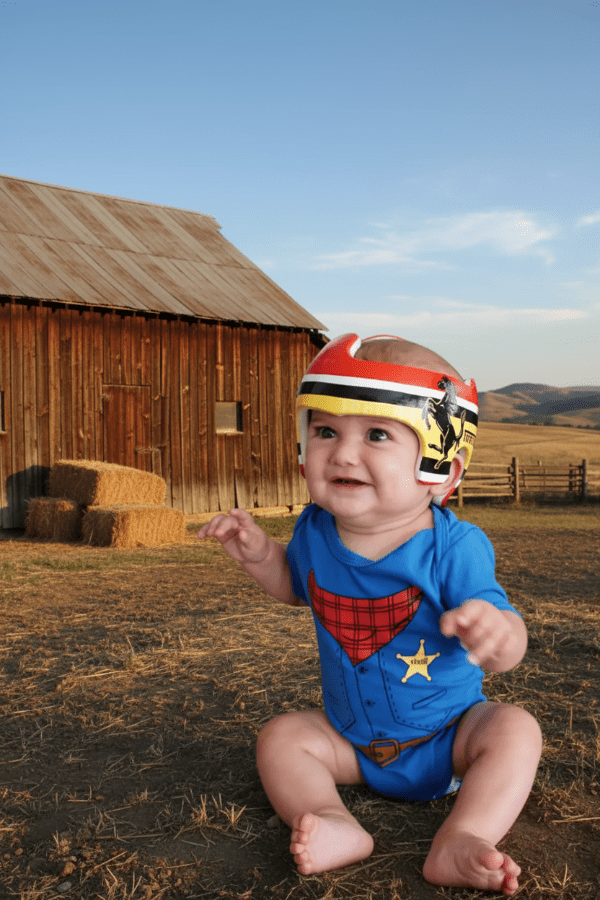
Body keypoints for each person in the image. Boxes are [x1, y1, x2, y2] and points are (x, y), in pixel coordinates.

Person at [198, 333, 542, 896]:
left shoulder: (453, 548)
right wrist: (262, 556)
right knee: (282, 737)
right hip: (351, 743)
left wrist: (498, 633)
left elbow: (509, 647)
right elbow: (297, 587)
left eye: (377, 434)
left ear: (441, 467)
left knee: (515, 730)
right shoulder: (314, 529)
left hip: (450, 739)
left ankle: (464, 834)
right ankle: (332, 820)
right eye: (326, 430)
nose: (343, 452)